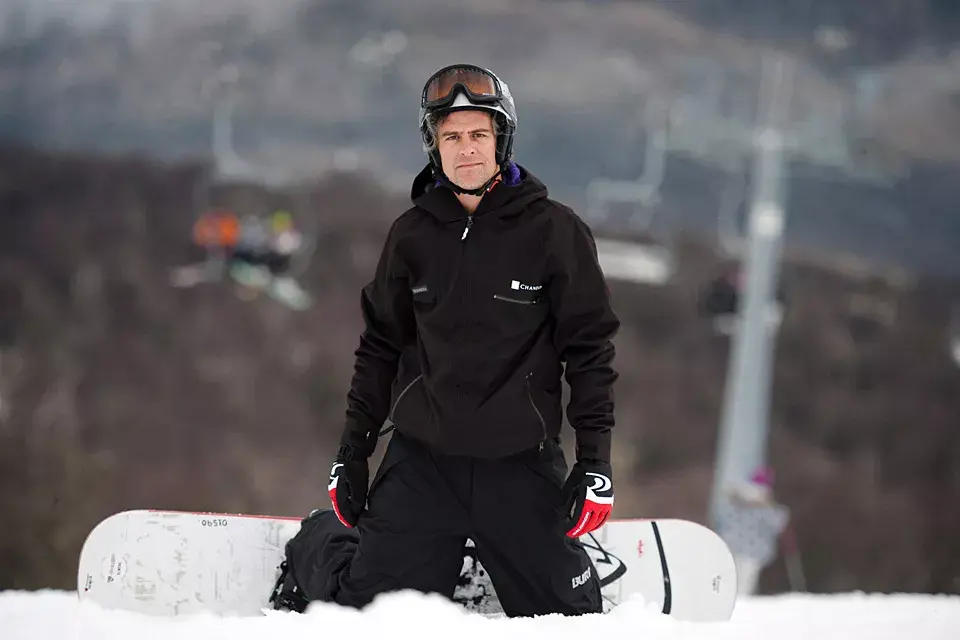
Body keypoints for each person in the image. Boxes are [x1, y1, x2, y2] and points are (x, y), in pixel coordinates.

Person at [309, 63, 621, 618]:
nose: (467, 149)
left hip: (519, 466)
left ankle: (510, 554)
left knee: (572, 621)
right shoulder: (412, 236)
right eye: (451, 136)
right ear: (434, 145)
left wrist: (595, 460)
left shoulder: (554, 231)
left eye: (479, 134)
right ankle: (315, 542)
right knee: (357, 614)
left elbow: (590, 349)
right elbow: (379, 348)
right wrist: (352, 455)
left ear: (502, 140)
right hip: (423, 466)